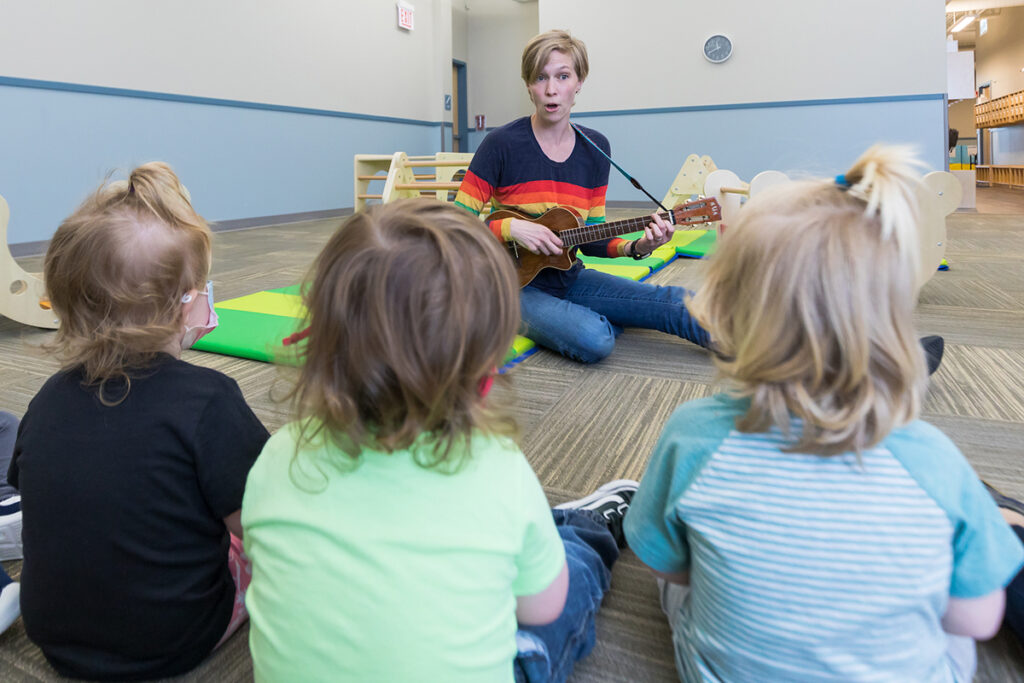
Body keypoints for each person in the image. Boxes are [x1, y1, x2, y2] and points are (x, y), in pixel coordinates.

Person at [623, 145, 1024, 682]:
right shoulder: (936, 461)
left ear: (727, 315)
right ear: (891, 328)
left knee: (678, 577)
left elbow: (664, 562)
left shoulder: (692, 435)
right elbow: (977, 617)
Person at [242, 199, 634, 682]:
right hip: (514, 581)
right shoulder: (496, 468)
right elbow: (540, 607)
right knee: (566, 587)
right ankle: (587, 530)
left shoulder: (278, 453)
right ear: (485, 370)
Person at [9, 163, 269, 679]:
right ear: (183, 307)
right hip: (174, 638)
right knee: (252, 539)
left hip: (53, 635)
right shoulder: (210, 401)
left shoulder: (43, 401)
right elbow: (264, 525)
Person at [454, 30, 710, 363]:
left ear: (579, 82)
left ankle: (760, 351)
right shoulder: (500, 144)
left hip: (568, 276)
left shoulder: (596, 149)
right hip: (507, 286)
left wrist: (638, 247)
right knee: (594, 339)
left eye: (563, 76)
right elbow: (453, 222)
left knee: (674, 301)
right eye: (540, 78)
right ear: (528, 84)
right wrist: (511, 229)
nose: (551, 89)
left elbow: (590, 234)